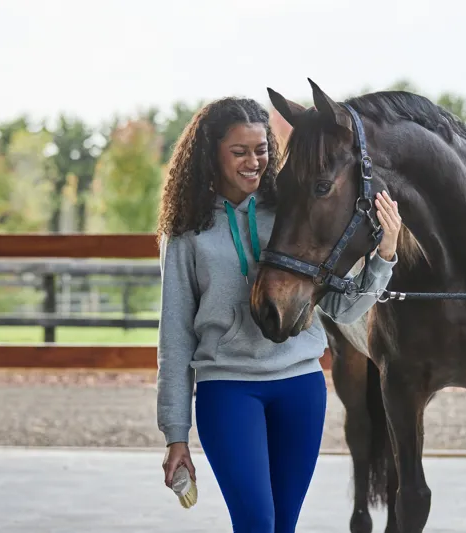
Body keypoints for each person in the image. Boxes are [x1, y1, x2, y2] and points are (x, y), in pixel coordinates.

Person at [155, 96, 402, 532]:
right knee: (256, 523)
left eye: (262, 148)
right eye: (239, 152)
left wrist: (385, 256)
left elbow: (343, 308)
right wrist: (176, 434)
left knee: (283, 525)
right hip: (228, 390)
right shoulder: (186, 232)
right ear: (212, 152)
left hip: (301, 388)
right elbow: (174, 336)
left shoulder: (289, 211)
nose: (254, 161)